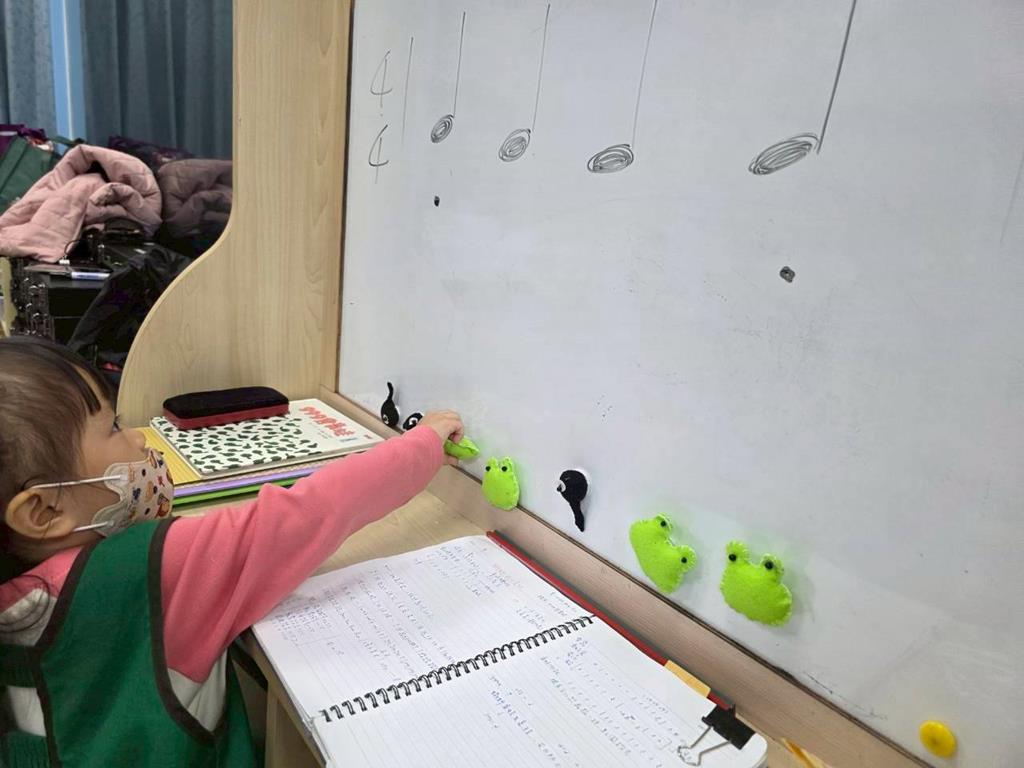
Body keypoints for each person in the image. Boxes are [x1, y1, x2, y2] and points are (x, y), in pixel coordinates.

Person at [0, 336, 463, 766]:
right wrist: (424, 445)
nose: (139, 438)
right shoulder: (154, 571)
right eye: (114, 427)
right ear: (42, 511)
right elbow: (312, 512)